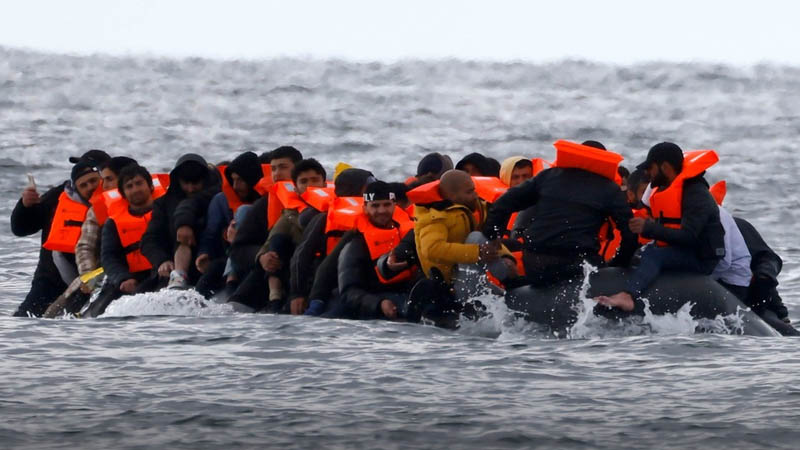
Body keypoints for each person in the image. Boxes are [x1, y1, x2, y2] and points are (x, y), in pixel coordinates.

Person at [484, 140, 637, 287]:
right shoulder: (610, 189)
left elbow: (502, 203)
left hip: (536, 262)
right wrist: (619, 264)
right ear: (605, 162)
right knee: (598, 271)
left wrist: (491, 238)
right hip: (578, 264)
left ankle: (515, 286)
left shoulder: (548, 176)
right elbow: (630, 231)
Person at [594, 142, 725, 312]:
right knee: (641, 254)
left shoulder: (696, 194)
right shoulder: (667, 189)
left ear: (665, 167)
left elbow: (689, 236)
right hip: (683, 250)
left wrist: (648, 229)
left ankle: (628, 296)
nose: (647, 173)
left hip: (702, 257)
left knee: (653, 254)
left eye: (651, 168)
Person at [11, 150, 110, 317]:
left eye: (94, 180)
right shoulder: (56, 197)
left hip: (100, 279)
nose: (90, 187)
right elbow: (20, 229)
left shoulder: (125, 196)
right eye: (83, 184)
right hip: (51, 279)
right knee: (25, 318)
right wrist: (25, 206)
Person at [410, 170, 516, 320]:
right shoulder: (434, 217)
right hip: (450, 287)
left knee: (477, 237)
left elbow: (487, 241)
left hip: (475, 278)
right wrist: (477, 253)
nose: (475, 195)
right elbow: (432, 249)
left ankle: (512, 281)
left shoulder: (473, 208)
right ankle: (507, 282)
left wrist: (506, 257)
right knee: (475, 237)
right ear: (451, 196)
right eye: (469, 192)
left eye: (474, 190)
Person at [287, 168, 375, 315]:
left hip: (362, 285)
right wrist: (297, 294)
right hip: (328, 288)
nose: (374, 190)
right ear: (355, 189)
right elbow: (301, 256)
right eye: (369, 186)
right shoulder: (323, 219)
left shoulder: (381, 216)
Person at [85, 164, 160, 317]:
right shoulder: (113, 223)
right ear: (123, 193)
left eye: (139, 183)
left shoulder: (165, 212)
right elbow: (109, 257)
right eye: (129, 186)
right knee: (98, 311)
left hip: (160, 272)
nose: (135, 189)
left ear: (151, 186)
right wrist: (123, 279)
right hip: (129, 277)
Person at [337, 181, 416, 320]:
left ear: (395, 205)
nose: (381, 210)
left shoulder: (411, 233)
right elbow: (348, 292)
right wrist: (379, 304)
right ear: (365, 208)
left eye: (386, 205)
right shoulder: (356, 244)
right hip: (375, 304)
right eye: (375, 206)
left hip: (410, 295)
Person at [140, 153, 220, 289]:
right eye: (186, 183)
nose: (190, 188)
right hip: (171, 268)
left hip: (210, 260)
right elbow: (149, 240)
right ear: (178, 181)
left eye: (195, 183)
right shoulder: (163, 204)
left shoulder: (217, 197)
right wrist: (162, 260)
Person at [256, 158, 327, 311]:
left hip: (325, 269)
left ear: (325, 184)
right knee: (278, 241)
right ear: (296, 189)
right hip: (297, 271)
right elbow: (270, 241)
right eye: (304, 181)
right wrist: (262, 257)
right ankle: (275, 298)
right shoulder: (290, 214)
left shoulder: (335, 210)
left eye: (315, 180)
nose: (310, 185)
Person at [228, 145, 302, 282]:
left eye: (283, 167)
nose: (277, 173)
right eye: (273, 169)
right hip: (268, 269)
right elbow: (238, 249)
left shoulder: (320, 206)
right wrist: (261, 257)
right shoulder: (263, 205)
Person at [194, 151, 265, 295]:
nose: (236, 185)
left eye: (241, 180)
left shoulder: (265, 200)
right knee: (213, 269)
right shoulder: (221, 200)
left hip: (256, 253)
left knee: (244, 211)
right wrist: (204, 253)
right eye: (233, 180)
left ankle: (232, 278)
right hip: (227, 255)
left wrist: (238, 237)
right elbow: (210, 233)